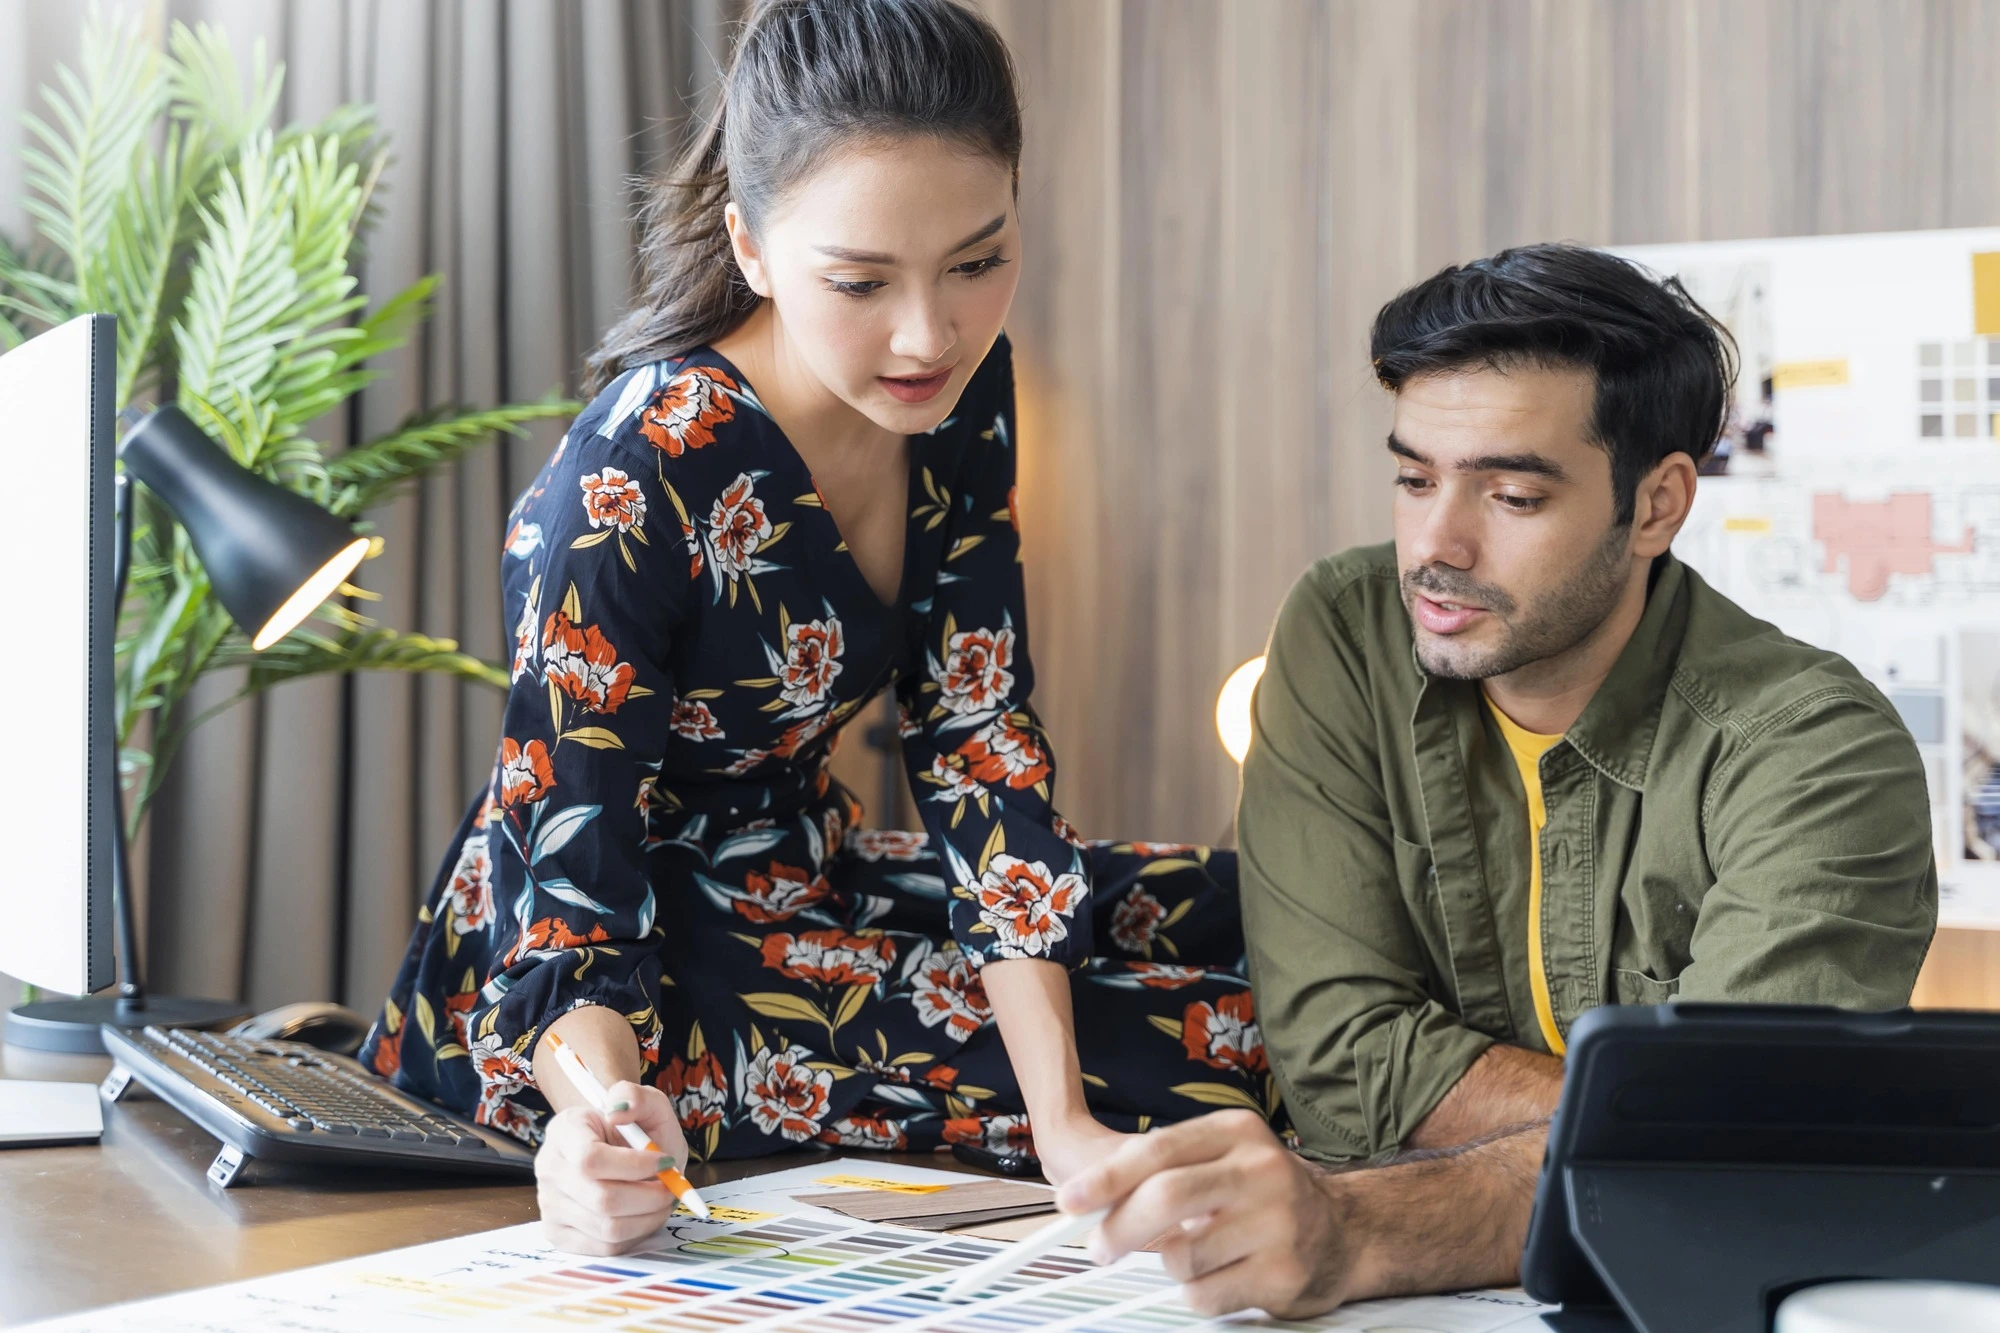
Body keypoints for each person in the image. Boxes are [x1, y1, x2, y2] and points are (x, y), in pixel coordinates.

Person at [362, 0, 1263, 1259]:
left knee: (1250, 909)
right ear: (750, 244)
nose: (927, 334)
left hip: (804, 869)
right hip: (617, 970)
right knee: (1226, 1037)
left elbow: (977, 738)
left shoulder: (962, 392)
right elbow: (567, 864)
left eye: (976, 258)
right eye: (859, 281)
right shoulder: (641, 469)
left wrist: (1062, 1122)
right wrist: (600, 1119)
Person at [1056, 243, 1938, 1316]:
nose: (1434, 545)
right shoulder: (1344, 631)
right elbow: (1338, 1055)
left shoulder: (1816, 755)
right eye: (1412, 477)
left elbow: (1727, 1149)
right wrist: (1635, 1135)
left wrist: (1359, 1225)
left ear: (1656, 505)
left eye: (1511, 495)